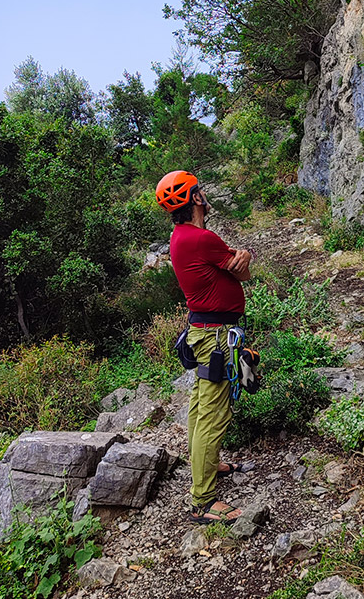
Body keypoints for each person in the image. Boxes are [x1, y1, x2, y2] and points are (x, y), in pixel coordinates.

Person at [155, 170, 252, 524]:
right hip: (216, 338)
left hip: (204, 333)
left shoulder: (180, 237)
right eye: (201, 192)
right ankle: (204, 501)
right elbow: (241, 272)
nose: (205, 196)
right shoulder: (201, 238)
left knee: (199, 409)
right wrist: (244, 257)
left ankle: (209, 466)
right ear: (195, 199)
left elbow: (232, 270)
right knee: (213, 414)